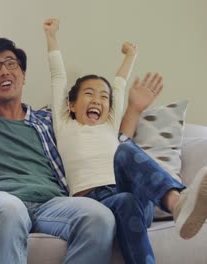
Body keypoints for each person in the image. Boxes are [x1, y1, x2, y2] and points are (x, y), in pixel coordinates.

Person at [44, 17, 207, 264]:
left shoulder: (111, 128)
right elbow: (58, 77)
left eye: (103, 97)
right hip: (94, 203)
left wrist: (131, 55)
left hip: (132, 193)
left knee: (124, 151)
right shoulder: (65, 124)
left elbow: (118, 87)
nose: (97, 100)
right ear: (71, 105)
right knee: (126, 199)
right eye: (89, 94)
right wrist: (51, 36)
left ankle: (177, 203)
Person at [0, 37, 118, 263]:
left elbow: (101, 131)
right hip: (2, 197)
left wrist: (132, 109)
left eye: (11, 63)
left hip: (52, 202)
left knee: (100, 216)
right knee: (9, 210)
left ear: (23, 76)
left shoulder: (50, 120)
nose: (4, 70)